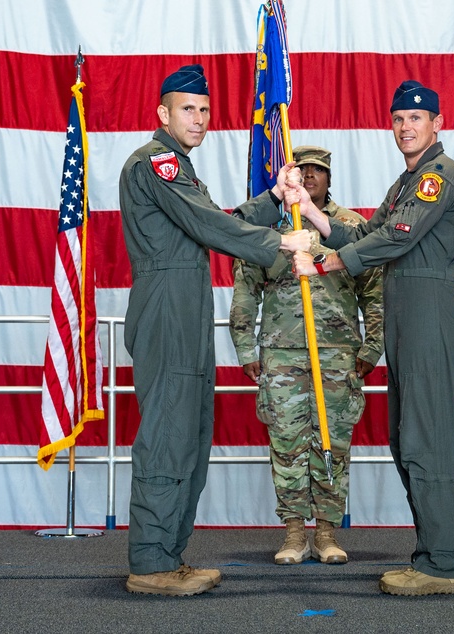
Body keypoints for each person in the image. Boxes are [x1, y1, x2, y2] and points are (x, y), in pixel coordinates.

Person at [118, 64, 311, 596]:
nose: (199, 119)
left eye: (204, 110)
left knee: (191, 435)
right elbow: (213, 226)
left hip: (186, 307)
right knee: (166, 437)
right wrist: (280, 243)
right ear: (163, 113)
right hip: (166, 308)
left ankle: (169, 556)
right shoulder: (155, 162)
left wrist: (274, 198)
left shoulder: (179, 167)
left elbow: (213, 217)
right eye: (188, 109)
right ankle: (151, 562)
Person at [290, 81, 454, 596]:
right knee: (407, 439)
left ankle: (443, 564)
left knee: (429, 442)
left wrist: (327, 260)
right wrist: (313, 212)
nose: (405, 127)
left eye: (415, 118)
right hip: (405, 316)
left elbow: (395, 238)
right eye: (397, 119)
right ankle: (431, 554)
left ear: (437, 123)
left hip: (430, 314)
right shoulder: (405, 181)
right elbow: (370, 233)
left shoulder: (439, 176)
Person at [229, 145, 384, 566]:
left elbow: (375, 293)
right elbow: (245, 290)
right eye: (303, 170)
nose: (311, 177)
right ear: (290, 177)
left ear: (330, 178)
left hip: (338, 355)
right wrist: (245, 347)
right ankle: (294, 534)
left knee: (332, 445)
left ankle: (328, 534)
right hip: (281, 356)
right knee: (287, 445)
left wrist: (371, 347)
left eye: (319, 171)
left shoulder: (350, 227)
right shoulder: (268, 228)